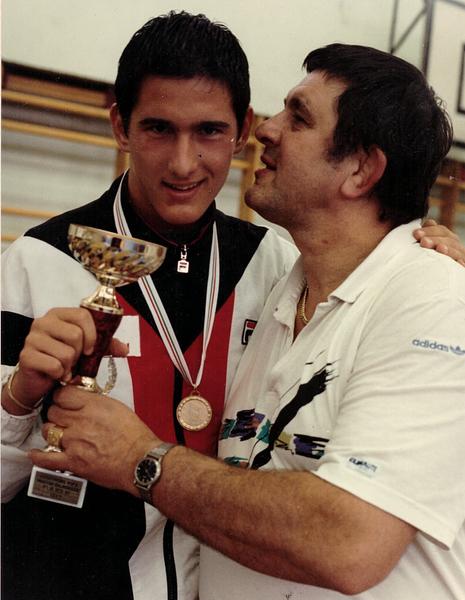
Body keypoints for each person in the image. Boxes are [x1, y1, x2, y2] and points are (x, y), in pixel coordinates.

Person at [29, 43, 465, 599]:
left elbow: (349, 543)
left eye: (298, 118)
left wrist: (141, 459)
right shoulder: (281, 289)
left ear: (360, 169)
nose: (266, 129)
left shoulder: (433, 300)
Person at [1, 11, 299, 600]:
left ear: (242, 129)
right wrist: (17, 398)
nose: (184, 163)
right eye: (159, 128)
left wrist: (427, 254)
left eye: (209, 131)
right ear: (121, 126)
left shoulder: (277, 266)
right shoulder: (40, 259)